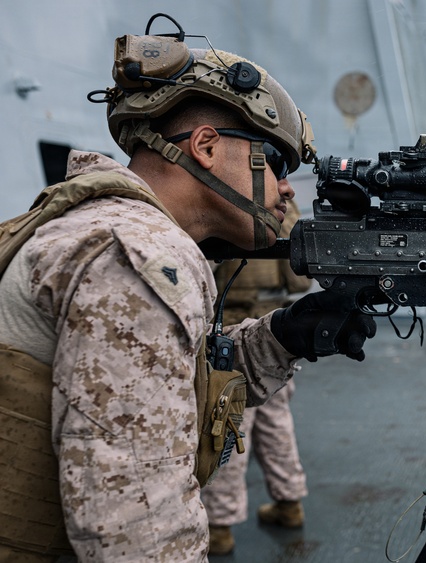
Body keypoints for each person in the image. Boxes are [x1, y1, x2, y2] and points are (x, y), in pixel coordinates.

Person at [0, 19, 375, 562]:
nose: (287, 188)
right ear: (204, 146)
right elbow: (134, 528)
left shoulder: (99, 224)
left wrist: (283, 338)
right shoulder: (139, 254)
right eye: (273, 161)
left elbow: (165, 389)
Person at [202, 198, 312, 556]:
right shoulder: (287, 212)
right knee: (278, 424)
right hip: (276, 334)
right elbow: (300, 282)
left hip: (233, 336)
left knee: (227, 432)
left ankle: (218, 525)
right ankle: (289, 502)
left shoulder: (229, 204)